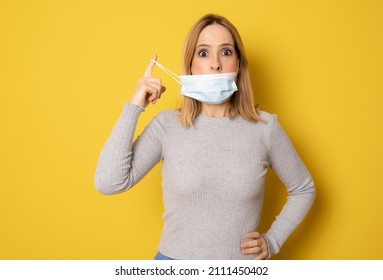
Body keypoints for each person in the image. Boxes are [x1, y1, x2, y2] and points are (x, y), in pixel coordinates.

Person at [94, 14, 316, 260]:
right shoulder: (167, 126)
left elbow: (303, 189)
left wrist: (273, 240)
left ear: (239, 64)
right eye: (203, 53)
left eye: (226, 52)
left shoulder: (265, 128)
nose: (215, 64)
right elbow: (109, 182)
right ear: (190, 66)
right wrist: (135, 105)